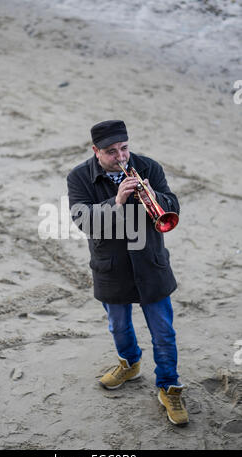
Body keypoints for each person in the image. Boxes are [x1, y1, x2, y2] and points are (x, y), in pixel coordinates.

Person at [67, 120, 189, 425]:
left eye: (124, 148)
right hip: (112, 268)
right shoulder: (79, 177)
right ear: (96, 151)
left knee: (164, 333)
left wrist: (155, 197)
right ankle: (130, 363)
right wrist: (117, 200)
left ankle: (169, 387)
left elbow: (172, 204)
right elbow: (84, 222)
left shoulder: (148, 167)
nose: (121, 157)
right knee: (118, 327)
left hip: (151, 265)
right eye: (111, 152)